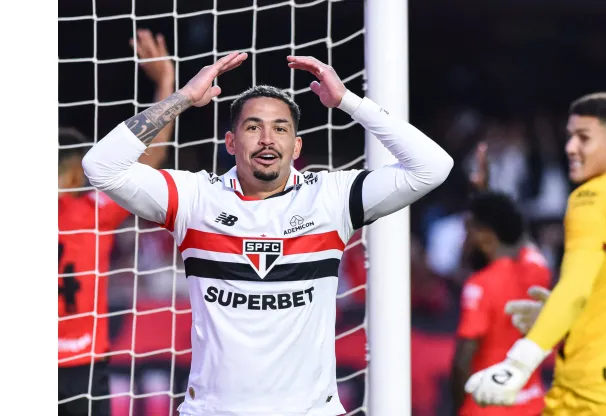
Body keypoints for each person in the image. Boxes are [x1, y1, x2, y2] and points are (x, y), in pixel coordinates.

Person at [81, 52, 454, 415]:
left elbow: (433, 166)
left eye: (280, 128)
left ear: (296, 145)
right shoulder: (196, 198)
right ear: (231, 143)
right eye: (253, 126)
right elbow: (100, 166)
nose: (267, 139)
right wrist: (182, 98)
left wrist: (349, 102)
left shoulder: (329, 198)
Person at [464, 93, 606, 415]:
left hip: (594, 390)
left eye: (583, 138)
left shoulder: (589, 198)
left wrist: (517, 365)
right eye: (569, 137)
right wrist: (566, 320)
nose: (570, 148)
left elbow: (576, 288)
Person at [58, 29, 175, 416]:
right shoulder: (92, 209)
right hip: (82, 366)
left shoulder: (91, 209)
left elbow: (148, 162)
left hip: (83, 365)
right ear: (74, 174)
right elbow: (150, 158)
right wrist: (167, 85)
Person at [451, 191, 551, 416]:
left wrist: (459, 408)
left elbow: (462, 361)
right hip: (532, 403)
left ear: (485, 236)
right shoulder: (538, 270)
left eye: (468, 231)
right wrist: (485, 194)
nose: (464, 241)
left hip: (488, 407)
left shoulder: (479, 285)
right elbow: (518, 234)